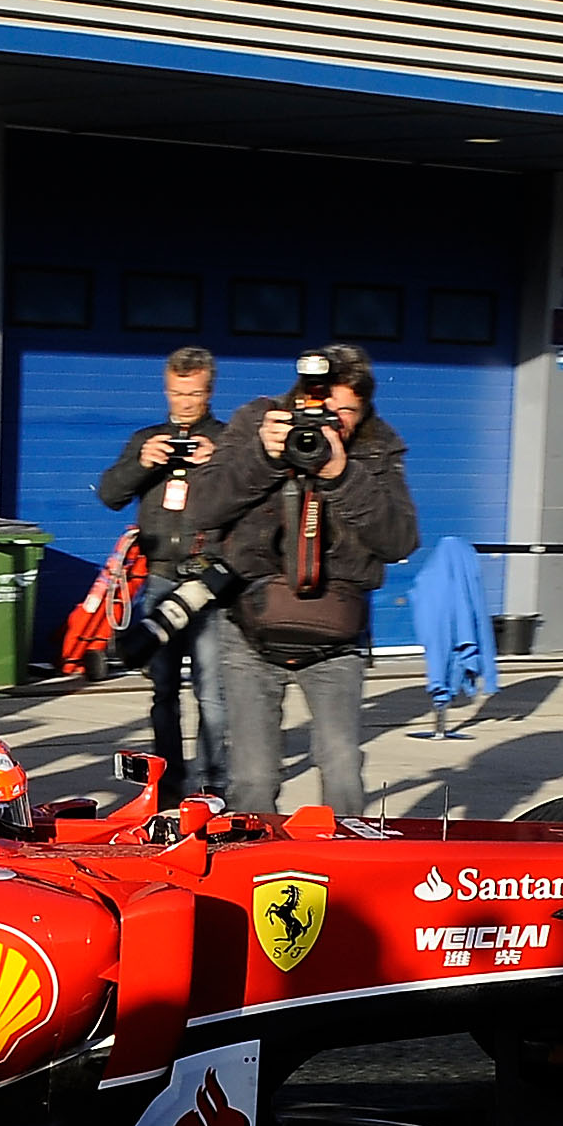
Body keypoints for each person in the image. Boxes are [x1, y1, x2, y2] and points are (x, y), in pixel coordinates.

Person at [190, 344, 418, 817]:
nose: (331, 423)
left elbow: (400, 540)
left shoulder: (377, 447)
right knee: (253, 778)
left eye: (346, 413)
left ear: (365, 410)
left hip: (335, 636)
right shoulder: (259, 422)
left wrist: (342, 474)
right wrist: (262, 457)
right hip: (249, 629)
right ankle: (255, 858)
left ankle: (347, 858)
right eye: (324, 409)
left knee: (341, 768)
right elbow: (202, 508)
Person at [92, 344, 231, 792]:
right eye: (176, 393)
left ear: (209, 392)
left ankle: (213, 785)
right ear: (165, 389)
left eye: (193, 394)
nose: (184, 403)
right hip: (160, 579)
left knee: (212, 692)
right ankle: (169, 782)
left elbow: (249, 501)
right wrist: (142, 463)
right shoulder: (147, 439)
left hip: (209, 585)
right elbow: (109, 495)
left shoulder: (228, 441)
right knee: (163, 689)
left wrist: (217, 463)